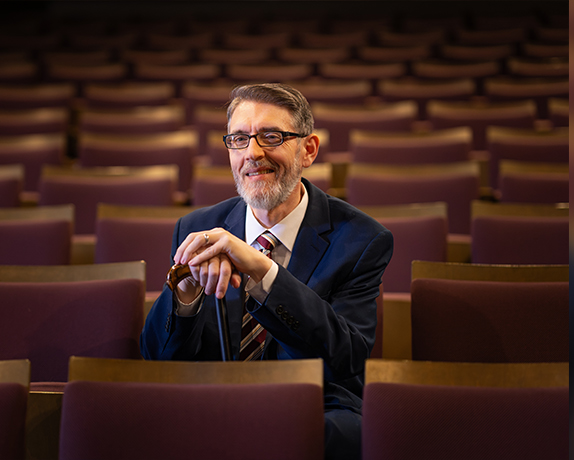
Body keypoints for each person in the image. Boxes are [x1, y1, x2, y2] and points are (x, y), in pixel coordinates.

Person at [139, 83, 393, 460]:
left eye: (271, 137)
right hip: (211, 397)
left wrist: (264, 271)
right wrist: (185, 299)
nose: (253, 153)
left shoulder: (361, 239)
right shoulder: (196, 226)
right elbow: (157, 362)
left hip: (315, 402)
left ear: (308, 150)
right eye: (239, 139)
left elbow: (346, 356)